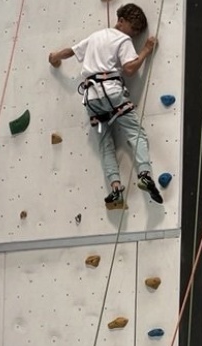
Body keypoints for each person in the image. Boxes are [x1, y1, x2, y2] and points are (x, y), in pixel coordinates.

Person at [48, 3, 163, 210]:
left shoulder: (95, 36)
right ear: (121, 21)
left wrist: (54, 57)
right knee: (135, 133)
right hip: (112, 95)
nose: (134, 33)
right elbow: (129, 69)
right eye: (133, 28)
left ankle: (115, 188)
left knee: (104, 142)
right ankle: (145, 174)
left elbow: (71, 52)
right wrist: (145, 50)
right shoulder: (122, 39)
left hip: (92, 101)